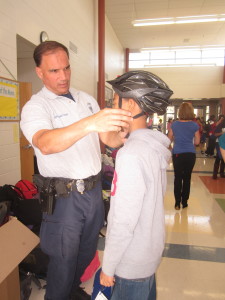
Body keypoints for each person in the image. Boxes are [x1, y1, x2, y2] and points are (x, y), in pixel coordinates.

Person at [20, 41, 132, 300]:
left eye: (67, 68)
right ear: (39, 72)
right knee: (62, 262)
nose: (63, 76)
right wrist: (90, 123)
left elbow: (109, 139)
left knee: (85, 254)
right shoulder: (36, 106)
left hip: (92, 193)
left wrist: (125, 133)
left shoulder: (86, 99)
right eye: (54, 71)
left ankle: (71, 292)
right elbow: (45, 144)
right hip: (64, 199)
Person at [99, 70, 173, 300]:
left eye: (114, 101)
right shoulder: (152, 147)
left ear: (130, 104)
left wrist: (108, 266)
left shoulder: (131, 155)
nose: (111, 107)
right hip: (148, 254)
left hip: (130, 262)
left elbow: (123, 219)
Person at [168, 102, 200, 210]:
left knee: (178, 178)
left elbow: (169, 139)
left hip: (178, 154)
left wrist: (171, 147)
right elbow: (197, 142)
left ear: (180, 111)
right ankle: (184, 202)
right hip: (190, 154)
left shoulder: (174, 124)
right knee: (187, 178)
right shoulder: (195, 125)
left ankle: (177, 203)